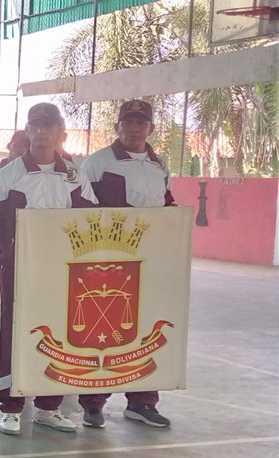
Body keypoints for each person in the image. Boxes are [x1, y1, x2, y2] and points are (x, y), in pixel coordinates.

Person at [0, 102, 98, 437]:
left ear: (60, 132)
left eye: (49, 126)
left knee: (59, 336)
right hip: (19, 270)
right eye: (36, 126)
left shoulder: (75, 176)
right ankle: (11, 407)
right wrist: (11, 251)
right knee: (14, 335)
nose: (42, 132)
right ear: (28, 131)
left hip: (63, 273)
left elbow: (90, 219)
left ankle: (48, 407)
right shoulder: (8, 176)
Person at [76, 99, 174, 429]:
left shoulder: (160, 166)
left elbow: (167, 205)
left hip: (150, 262)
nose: (134, 128)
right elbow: (81, 207)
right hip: (107, 262)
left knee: (146, 328)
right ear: (117, 127)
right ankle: (92, 402)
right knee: (100, 327)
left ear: (150, 128)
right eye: (128, 123)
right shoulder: (98, 163)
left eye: (141, 123)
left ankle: (143, 401)